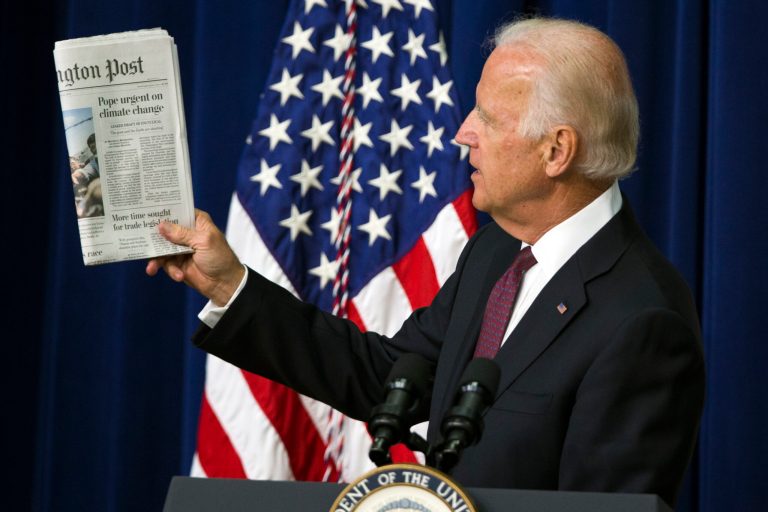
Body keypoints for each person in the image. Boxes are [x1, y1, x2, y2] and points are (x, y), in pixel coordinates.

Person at [147, 17, 704, 506]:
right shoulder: (496, 252)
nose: (463, 133)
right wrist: (229, 285)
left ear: (556, 150)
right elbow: (383, 377)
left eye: (488, 117)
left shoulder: (644, 321)